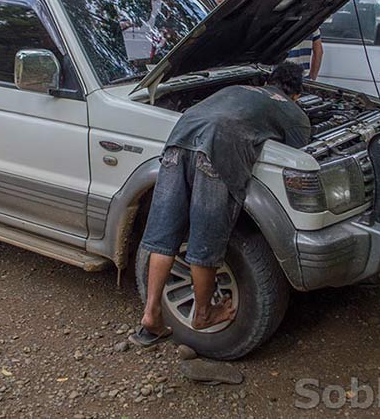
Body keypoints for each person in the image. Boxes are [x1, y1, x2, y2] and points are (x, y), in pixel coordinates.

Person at [129, 62, 311, 346]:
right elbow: (299, 149)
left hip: (178, 141)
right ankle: (203, 313)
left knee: (163, 235)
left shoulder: (237, 88)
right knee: (206, 238)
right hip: (216, 152)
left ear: (268, 82)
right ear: (297, 94)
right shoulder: (291, 109)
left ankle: (151, 313)